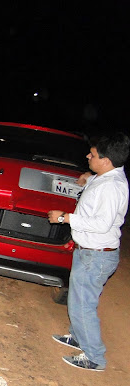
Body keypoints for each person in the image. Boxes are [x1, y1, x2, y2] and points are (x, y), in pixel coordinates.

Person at [48, 133, 129, 371]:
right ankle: (78, 336)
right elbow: (95, 181)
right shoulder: (105, 177)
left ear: (106, 160)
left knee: (82, 305)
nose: (87, 156)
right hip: (90, 252)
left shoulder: (111, 187)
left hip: (96, 255)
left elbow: (102, 223)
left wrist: (65, 218)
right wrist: (88, 176)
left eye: (92, 155)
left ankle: (95, 357)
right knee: (78, 299)